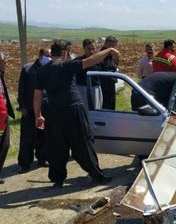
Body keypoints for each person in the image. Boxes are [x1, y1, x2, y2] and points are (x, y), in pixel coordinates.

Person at [34, 40, 120, 187]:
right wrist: (108, 50)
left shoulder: (42, 71)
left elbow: (37, 95)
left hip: (54, 112)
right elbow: (90, 60)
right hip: (73, 110)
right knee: (83, 143)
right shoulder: (66, 65)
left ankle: (58, 179)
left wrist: (38, 115)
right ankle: (96, 175)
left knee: (57, 146)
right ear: (64, 53)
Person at [17, 47, 51, 174]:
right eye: (47, 55)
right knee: (27, 137)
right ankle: (25, 163)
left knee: (44, 135)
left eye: (50, 55)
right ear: (40, 55)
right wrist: (23, 107)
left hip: (46, 107)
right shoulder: (28, 69)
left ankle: (42, 158)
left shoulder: (50, 68)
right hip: (30, 108)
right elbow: (22, 89)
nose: (49, 57)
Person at [74, 39, 103, 110]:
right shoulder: (78, 61)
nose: (91, 51)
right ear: (84, 48)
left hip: (95, 89)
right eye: (89, 49)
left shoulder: (99, 61)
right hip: (82, 89)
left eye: (93, 49)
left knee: (96, 111)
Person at [0, 53, 15, 185]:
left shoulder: (1, 76)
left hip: (3, 117)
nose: (6, 64)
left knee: (5, 144)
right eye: (4, 61)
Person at [99, 36, 119, 110]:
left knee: (111, 107)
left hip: (111, 86)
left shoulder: (113, 56)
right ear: (105, 44)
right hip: (103, 87)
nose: (111, 48)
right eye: (109, 45)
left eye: (113, 46)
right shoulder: (100, 56)